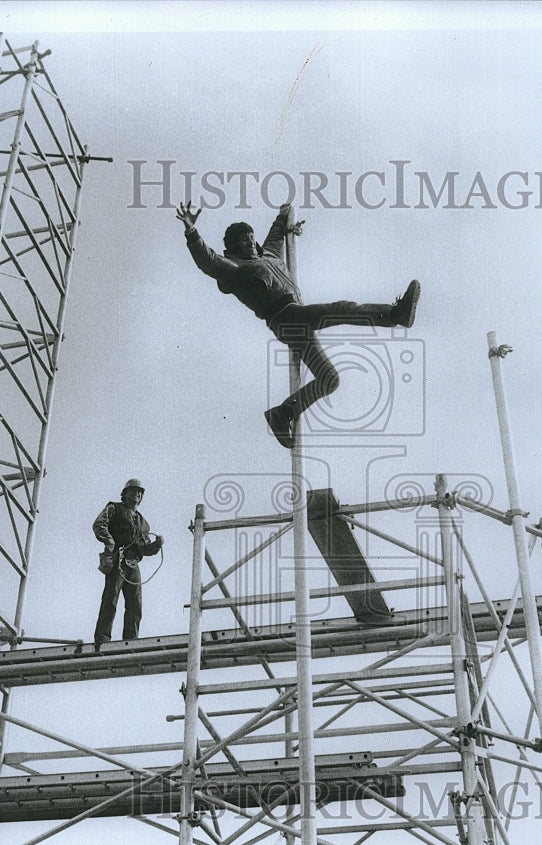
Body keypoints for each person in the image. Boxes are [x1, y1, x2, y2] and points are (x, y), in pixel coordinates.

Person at [176, 200, 421, 448]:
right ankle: (394, 315)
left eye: (251, 237)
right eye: (243, 240)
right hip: (285, 317)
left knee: (330, 379)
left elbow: (274, 235)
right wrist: (191, 232)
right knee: (339, 309)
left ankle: (282, 414)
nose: (250, 241)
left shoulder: (269, 254)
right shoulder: (236, 267)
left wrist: (284, 215)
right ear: (234, 248)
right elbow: (208, 261)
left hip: (298, 319)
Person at [92, 479, 164, 645]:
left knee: (135, 604)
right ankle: (102, 638)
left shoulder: (143, 523)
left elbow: (145, 548)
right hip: (118, 559)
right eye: (133, 491)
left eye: (140, 492)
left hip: (133, 563)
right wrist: (110, 543)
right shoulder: (114, 509)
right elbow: (99, 525)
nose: (137, 494)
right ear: (125, 494)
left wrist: (156, 546)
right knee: (111, 598)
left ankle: (131, 640)